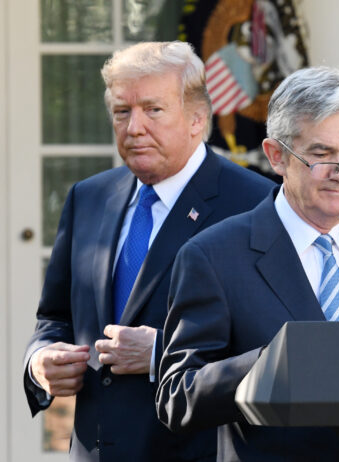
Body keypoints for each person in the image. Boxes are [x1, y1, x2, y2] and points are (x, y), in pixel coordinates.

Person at [156, 66, 339, 461]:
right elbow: (178, 395)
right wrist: (274, 362)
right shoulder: (212, 255)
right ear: (277, 156)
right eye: (322, 155)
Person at [23, 41, 274, 461]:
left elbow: (271, 350)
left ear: (197, 118)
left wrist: (162, 354)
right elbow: (54, 317)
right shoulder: (88, 198)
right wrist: (39, 361)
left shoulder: (255, 205)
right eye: (122, 112)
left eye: (153, 110)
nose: (134, 127)